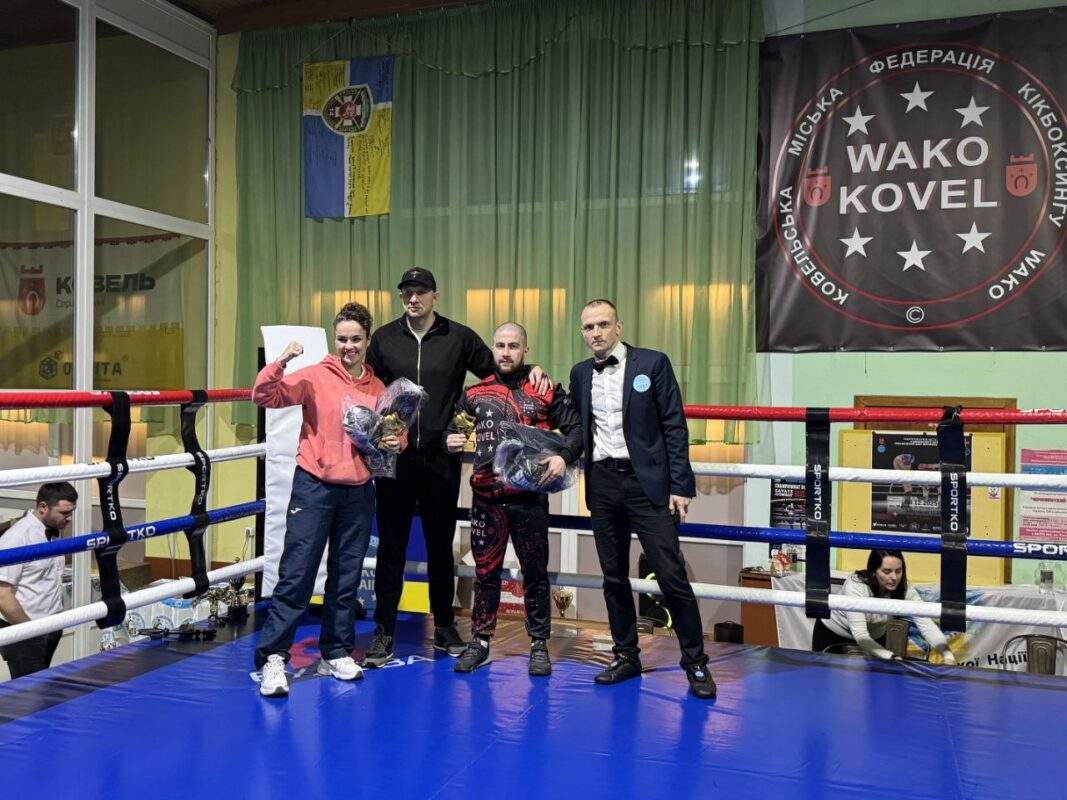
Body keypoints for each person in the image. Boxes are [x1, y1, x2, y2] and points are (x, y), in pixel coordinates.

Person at [362, 268, 549, 666]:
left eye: (421, 292)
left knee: (439, 546)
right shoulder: (384, 339)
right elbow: (368, 388)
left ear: (435, 296)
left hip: (440, 460)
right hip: (395, 458)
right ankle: (384, 630)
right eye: (407, 292)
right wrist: (378, 433)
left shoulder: (459, 337)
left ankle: (444, 624)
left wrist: (533, 371)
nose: (413, 298)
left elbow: (499, 371)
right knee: (391, 546)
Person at [252, 302, 404, 697]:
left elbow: (394, 436)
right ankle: (273, 657)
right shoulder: (314, 376)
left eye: (356, 339)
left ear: (367, 341)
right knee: (297, 573)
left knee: (346, 577)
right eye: (342, 339)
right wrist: (281, 361)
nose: (348, 346)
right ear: (334, 339)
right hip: (314, 486)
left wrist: (395, 441)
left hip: (359, 491)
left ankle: (335, 650)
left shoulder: (378, 389)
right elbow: (263, 396)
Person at [568, 299, 716, 700]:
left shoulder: (652, 363)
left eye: (603, 324)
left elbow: (674, 426)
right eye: (588, 327)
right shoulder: (580, 373)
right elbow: (575, 426)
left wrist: (680, 486)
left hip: (646, 484)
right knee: (613, 576)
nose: (596, 333)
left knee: (670, 575)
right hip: (602, 484)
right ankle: (626, 656)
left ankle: (695, 663)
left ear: (618, 326)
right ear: (582, 333)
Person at [445, 322, 582, 676]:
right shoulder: (474, 393)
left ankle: (539, 644)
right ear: (493, 349)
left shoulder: (545, 390)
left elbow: (577, 430)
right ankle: (480, 642)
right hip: (485, 500)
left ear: (525, 350)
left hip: (529, 499)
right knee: (486, 574)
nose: (506, 352)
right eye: (500, 346)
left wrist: (564, 455)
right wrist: (450, 440)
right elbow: (453, 429)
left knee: (535, 574)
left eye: (514, 346)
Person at [811, 548, 957, 664]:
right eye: (887, 572)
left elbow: (926, 624)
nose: (894, 577)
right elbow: (861, 635)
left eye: (898, 571)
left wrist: (947, 655)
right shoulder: (856, 586)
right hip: (833, 635)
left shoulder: (904, 589)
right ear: (874, 572)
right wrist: (891, 656)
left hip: (874, 638)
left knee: (873, 685)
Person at [0, 482, 77, 679]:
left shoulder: (52, 529)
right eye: (64, 512)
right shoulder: (16, 538)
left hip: (50, 625)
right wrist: (30, 631)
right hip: (23, 629)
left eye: (71, 512)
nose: (69, 518)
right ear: (43, 507)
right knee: (29, 691)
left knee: (42, 687)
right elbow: (2, 595)